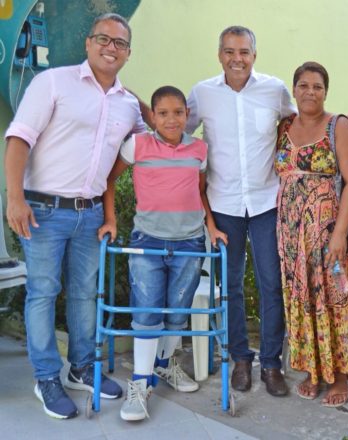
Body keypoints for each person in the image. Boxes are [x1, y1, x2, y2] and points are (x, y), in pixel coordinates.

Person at [3, 13, 143, 419]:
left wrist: (146, 104)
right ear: (88, 43)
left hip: (91, 213)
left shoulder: (127, 104)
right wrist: (14, 198)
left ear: (128, 53)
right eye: (103, 39)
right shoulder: (53, 82)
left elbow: (149, 137)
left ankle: (82, 368)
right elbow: (19, 138)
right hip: (42, 211)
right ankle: (47, 376)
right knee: (43, 292)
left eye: (119, 43)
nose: (110, 47)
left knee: (84, 293)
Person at [98, 86, 227, 421]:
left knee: (177, 313)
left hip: (189, 243)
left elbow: (200, 191)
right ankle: (140, 384)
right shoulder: (137, 144)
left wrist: (211, 227)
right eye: (164, 113)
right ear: (152, 116)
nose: (172, 120)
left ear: (188, 115)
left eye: (179, 112)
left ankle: (164, 364)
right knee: (146, 312)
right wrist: (110, 219)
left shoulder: (198, 149)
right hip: (148, 243)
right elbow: (108, 180)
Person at [185, 25, 295, 397]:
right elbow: (177, 132)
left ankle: (271, 363)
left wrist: (342, 125)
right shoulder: (203, 93)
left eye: (244, 51)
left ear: (254, 55)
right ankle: (241, 359)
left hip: (266, 202)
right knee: (229, 285)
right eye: (230, 51)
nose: (237, 59)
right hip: (223, 204)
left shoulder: (274, 90)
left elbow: (301, 122)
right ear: (220, 55)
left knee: (271, 284)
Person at [275, 61, 348, 407]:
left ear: (326, 91)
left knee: (335, 297)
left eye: (317, 86)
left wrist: (339, 234)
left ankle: (341, 374)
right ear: (294, 90)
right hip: (291, 236)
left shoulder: (338, 126)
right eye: (303, 85)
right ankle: (313, 370)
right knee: (302, 298)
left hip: (328, 231)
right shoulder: (285, 125)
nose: (310, 92)